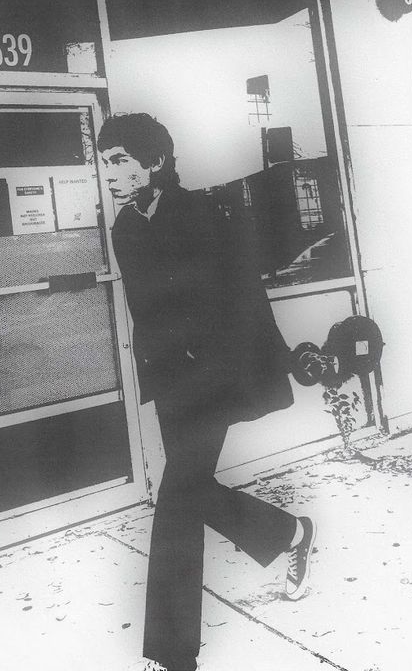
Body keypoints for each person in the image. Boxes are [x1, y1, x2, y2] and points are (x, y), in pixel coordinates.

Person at [97, 114, 317, 671]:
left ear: (156, 161)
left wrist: (245, 365)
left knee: (175, 501)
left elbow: (241, 295)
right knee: (189, 491)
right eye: (105, 163)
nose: (112, 173)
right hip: (172, 381)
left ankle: (172, 656)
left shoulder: (202, 213)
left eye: (120, 160)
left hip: (213, 378)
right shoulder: (126, 226)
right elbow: (148, 310)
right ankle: (289, 533)